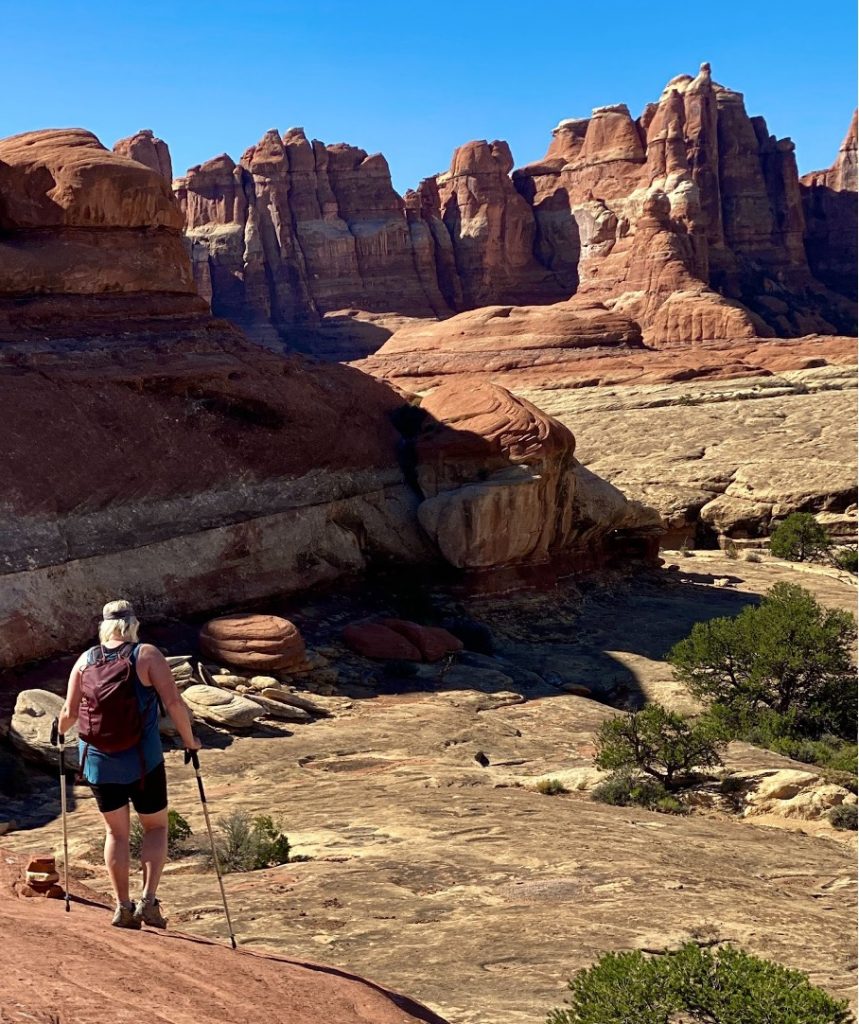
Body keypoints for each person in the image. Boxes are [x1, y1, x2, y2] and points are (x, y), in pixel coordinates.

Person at [59, 599, 200, 930]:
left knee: (115, 832)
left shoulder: (84, 660)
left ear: (104, 626)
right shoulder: (146, 655)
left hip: (98, 763)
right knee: (156, 827)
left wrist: (57, 732)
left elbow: (69, 714)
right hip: (144, 762)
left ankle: (122, 907)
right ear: (132, 624)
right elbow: (174, 703)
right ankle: (147, 903)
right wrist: (190, 740)